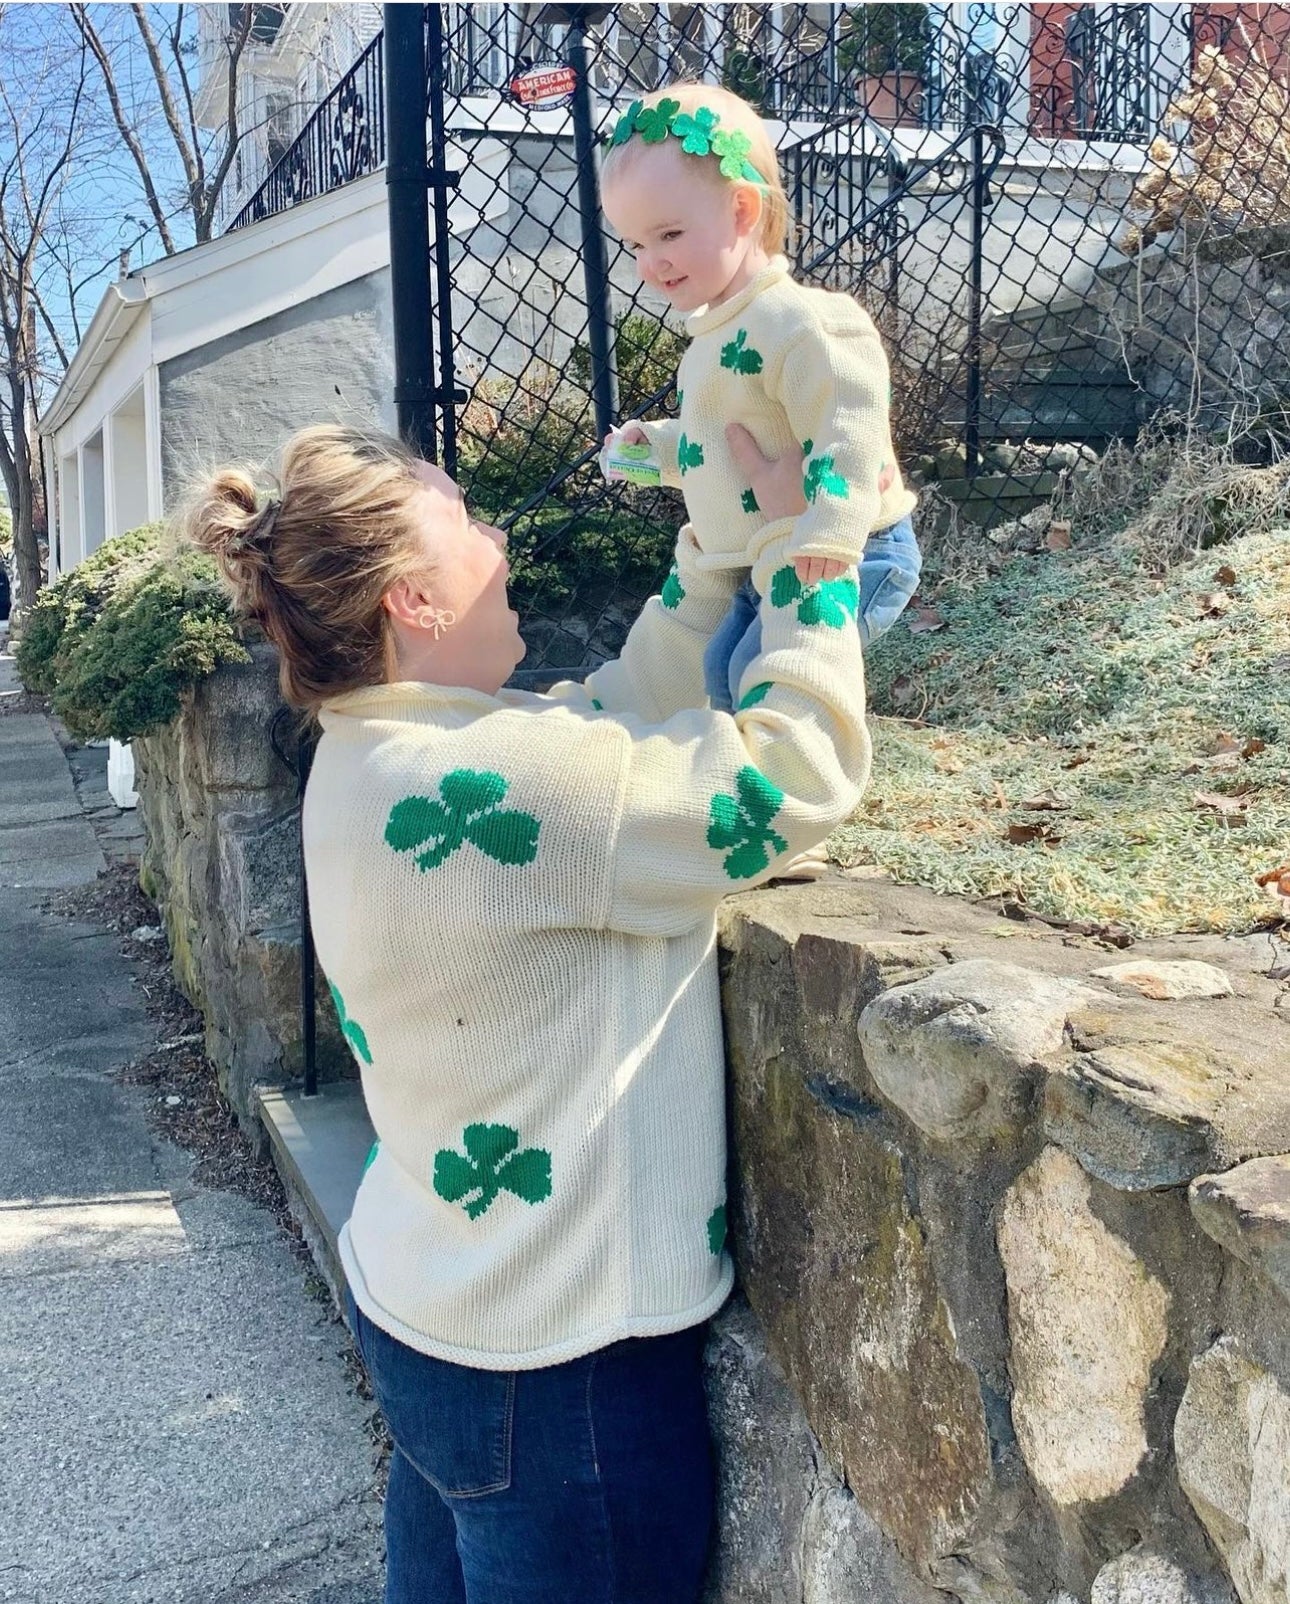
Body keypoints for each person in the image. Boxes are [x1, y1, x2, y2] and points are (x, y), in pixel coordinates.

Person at [184, 419, 871, 1604]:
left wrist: (713, 548)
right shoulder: (510, 789)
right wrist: (817, 551)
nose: (499, 539)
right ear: (417, 596)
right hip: (564, 1373)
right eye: (469, 523)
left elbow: (610, 722)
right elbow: (789, 784)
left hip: (437, 1312)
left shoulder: (376, 756)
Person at [598, 81, 922, 714]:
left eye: (667, 234)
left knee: (763, 679)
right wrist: (656, 450)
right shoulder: (715, 336)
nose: (649, 263)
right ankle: (752, 794)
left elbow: (849, 423)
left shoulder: (801, 321)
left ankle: (792, 794)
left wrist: (831, 532)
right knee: (721, 670)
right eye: (635, 244)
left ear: (743, 211)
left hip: (849, 547)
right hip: (768, 556)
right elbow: (722, 435)